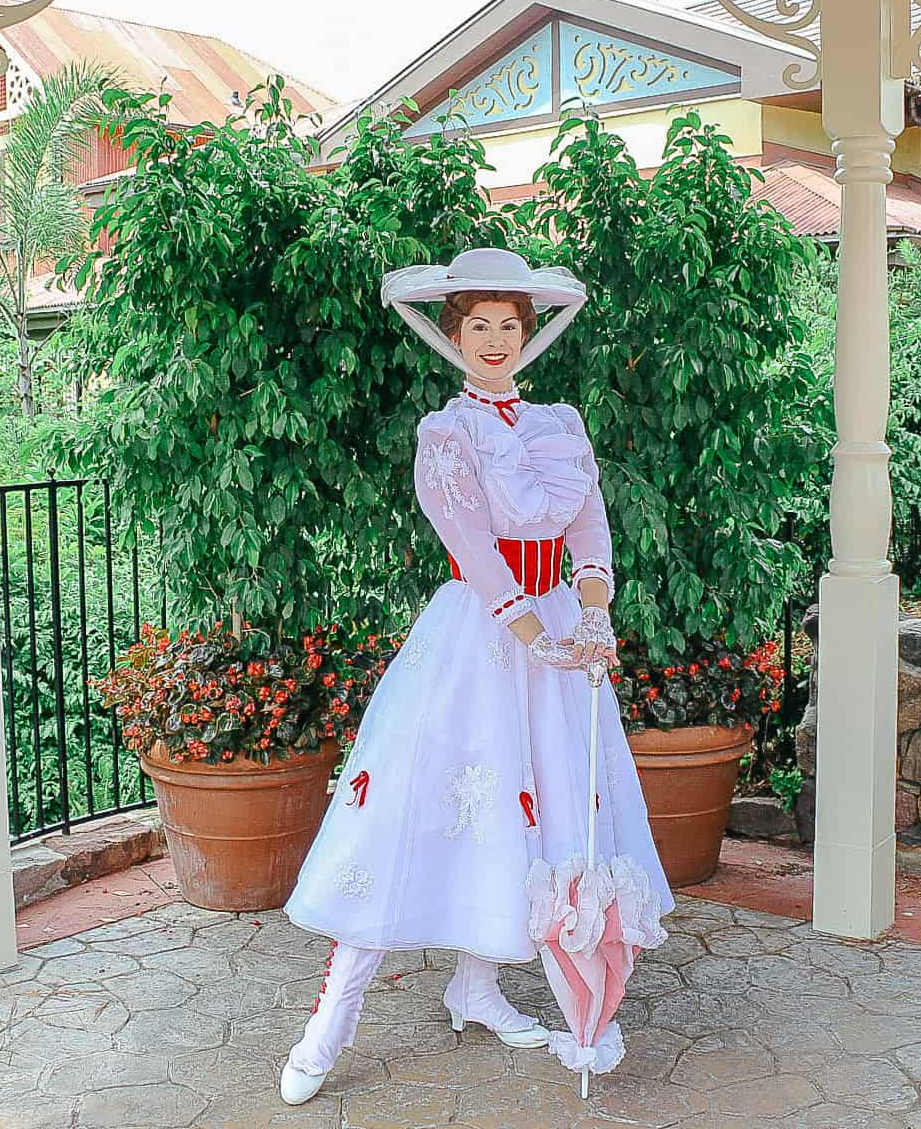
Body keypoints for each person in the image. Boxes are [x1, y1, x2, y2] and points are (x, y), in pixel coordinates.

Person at [278, 248, 672, 1105]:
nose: (495, 341)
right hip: (484, 636)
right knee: (421, 809)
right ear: (453, 337)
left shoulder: (561, 423)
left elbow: (592, 534)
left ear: (527, 336)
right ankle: (331, 1021)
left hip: (560, 637)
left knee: (532, 815)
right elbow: (475, 549)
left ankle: (478, 985)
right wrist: (533, 631)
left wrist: (593, 612)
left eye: (508, 326)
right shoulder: (445, 433)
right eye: (478, 327)